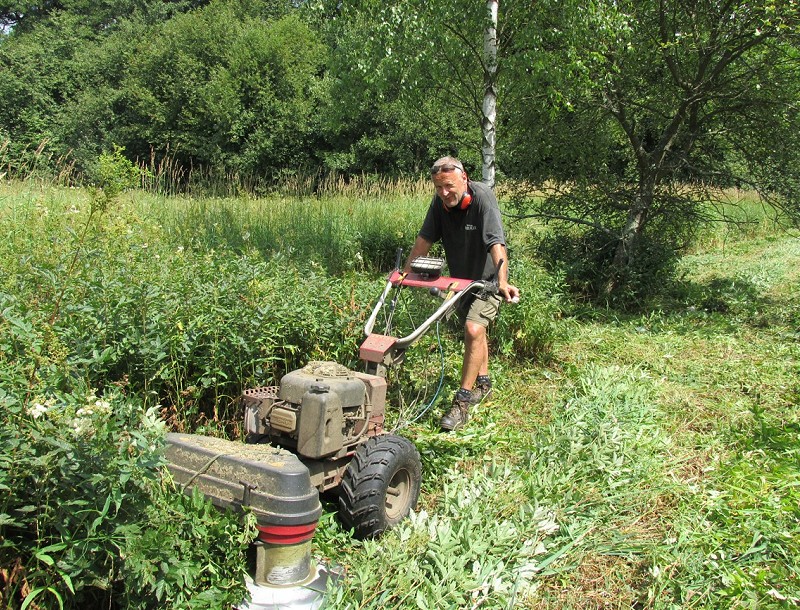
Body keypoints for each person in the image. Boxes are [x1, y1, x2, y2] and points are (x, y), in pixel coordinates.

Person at [404, 156, 520, 431]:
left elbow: (496, 242)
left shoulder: (482, 198)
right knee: (474, 333)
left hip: (487, 281)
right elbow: (424, 240)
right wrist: (405, 273)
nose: (444, 193)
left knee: (473, 329)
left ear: (464, 178)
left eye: (449, 186)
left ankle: (461, 403)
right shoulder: (440, 205)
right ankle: (484, 384)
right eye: (438, 188)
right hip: (460, 280)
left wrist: (502, 281)